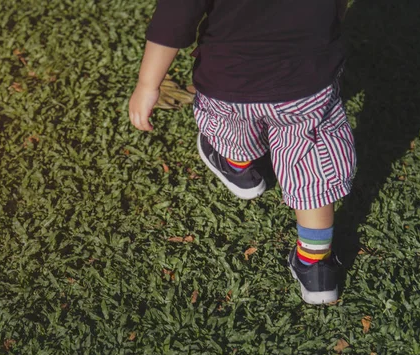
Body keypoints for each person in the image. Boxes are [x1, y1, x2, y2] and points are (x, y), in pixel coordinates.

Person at [129, 0, 356, 304]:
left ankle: (239, 167)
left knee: (232, 129)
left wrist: (147, 83)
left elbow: (175, 17)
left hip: (229, 80)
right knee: (311, 165)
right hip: (306, 82)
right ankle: (316, 268)